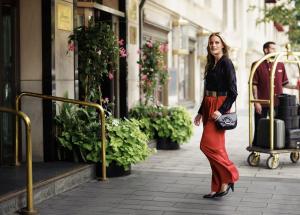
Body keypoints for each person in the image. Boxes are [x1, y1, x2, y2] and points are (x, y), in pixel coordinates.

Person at [194, 32, 239, 198]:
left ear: (222, 45)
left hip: (219, 107)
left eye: (216, 43)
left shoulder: (227, 63)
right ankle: (221, 185)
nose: (213, 45)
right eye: (211, 43)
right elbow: (206, 92)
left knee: (207, 145)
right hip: (208, 105)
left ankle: (231, 174)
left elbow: (233, 93)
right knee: (217, 148)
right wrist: (200, 112)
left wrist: (221, 110)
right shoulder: (210, 64)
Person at [252, 41, 298, 146]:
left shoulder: (280, 65)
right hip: (262, 102)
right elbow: (254, 85)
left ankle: (278, 145)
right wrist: (256, 102)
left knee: (279, 126)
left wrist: (296, 87)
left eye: (275, 48)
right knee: (259, 126)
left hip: (278, 102)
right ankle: (257, 147)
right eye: (272, 48)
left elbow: (285, 84)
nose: (274, 51)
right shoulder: (257, 64)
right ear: (266, 50)